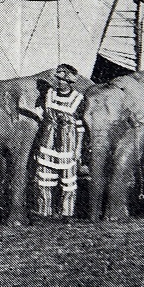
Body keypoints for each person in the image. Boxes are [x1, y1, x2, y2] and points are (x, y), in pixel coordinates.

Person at [33, 64, 87, 220]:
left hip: (68, 143)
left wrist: (78, 149)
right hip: (48, 141)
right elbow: (40, 115)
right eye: (59, 79)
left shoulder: (78, 99)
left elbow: (80, 127)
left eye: (64, 80)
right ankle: (44, 212)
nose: (60, 82)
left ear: (70, 82)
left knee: (68, 181)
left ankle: (66, 214)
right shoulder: (49, 94)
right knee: (44, 179)